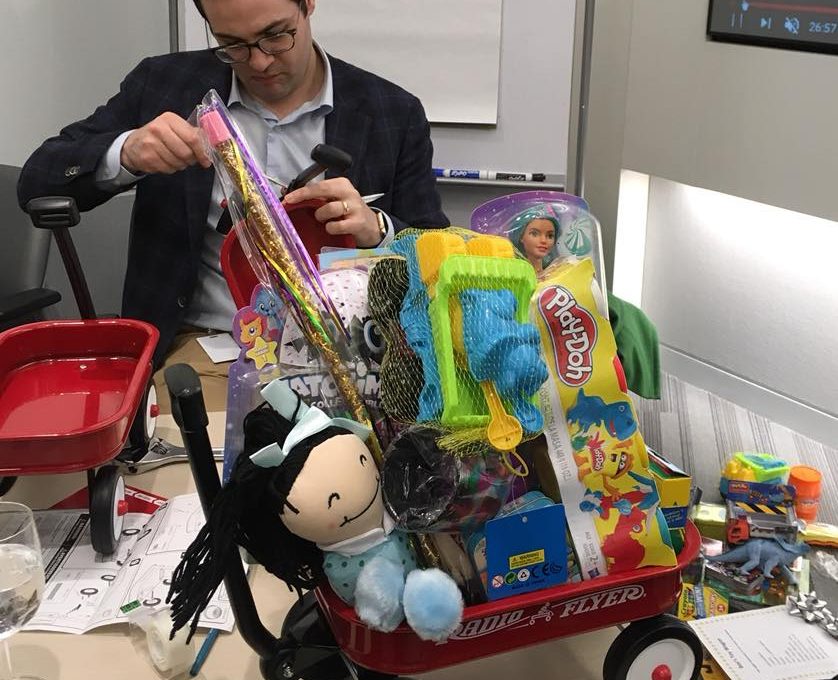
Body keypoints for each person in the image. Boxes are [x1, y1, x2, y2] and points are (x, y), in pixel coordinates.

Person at [17, 0, 448, 411]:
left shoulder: (392, 111)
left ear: (308, 5)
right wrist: (126, 152)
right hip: (208, 351)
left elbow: (439, 254)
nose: (259, 61)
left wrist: (377, 229)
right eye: (232, 45)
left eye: (276, 36)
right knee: (196, 478)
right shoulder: (164, 84)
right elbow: (37, 180)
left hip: (350, 359)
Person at [508, 207, 559, 273]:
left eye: (550, 236)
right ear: (521, 237)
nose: (543, 240)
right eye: (534, 234)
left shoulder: (556, 272)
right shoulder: (514, 274)